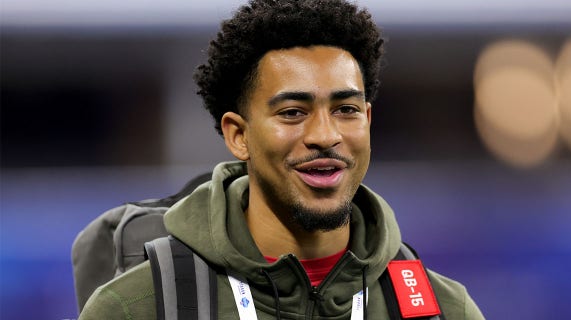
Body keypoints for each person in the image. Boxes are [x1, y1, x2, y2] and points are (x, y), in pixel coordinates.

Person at [79, 0, 484, 319]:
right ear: (238, 135)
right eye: (293, 112)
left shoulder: (445, 310)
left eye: (346, 109)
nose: (325, 136)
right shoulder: (137, 308)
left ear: (368, 120)